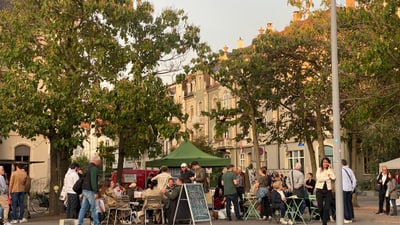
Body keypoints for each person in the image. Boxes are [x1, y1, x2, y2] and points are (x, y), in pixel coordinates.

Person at [77, 154, 101, 225]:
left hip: (84, 189)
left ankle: (80, 223)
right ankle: (97, 223)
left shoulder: (87, 168)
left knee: (83, 208)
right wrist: (96, 191)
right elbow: (93, 181)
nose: (99, 162)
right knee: (93, 207)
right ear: (96, 160)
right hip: (90, 190)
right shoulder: (94, 168)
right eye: (99, 161)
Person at [315, 157, 336, 225]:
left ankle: (324, 223)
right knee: (320, 208)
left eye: (326, 162)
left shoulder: (330, 170)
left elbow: (333, 177)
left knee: (327, 207)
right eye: (324, 162)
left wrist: (329, 169)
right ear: (322, 163)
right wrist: (327, 177)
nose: (325, 163)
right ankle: (322, 218)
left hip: (328, 191)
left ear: (328, 163)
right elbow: (319, 179)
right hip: (319, 190)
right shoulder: (319, 169)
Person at [342, 159, 357, 223]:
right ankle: (351, 216)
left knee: (345, 204)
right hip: (350, 189)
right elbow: (354, 180)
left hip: (344, 189)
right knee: (349, 203)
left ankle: (347, 217)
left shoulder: (341, 170)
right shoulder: (350, 170)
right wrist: (352, 188)